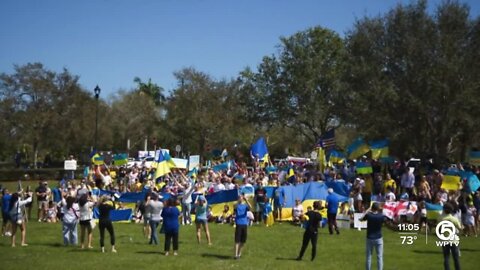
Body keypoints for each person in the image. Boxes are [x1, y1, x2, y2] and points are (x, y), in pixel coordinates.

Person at [361, 202, 385, 270]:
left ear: (372, 208)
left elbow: (361, 219)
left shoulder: (369, 215)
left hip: (369, 238)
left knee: (369, 257)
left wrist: (367, 211)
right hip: (379, 238)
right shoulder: (381, 216)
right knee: (379, 257)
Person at [438, 202, 461, 270]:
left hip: (444, 240)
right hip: (453, 240)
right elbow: (460, 227)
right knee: (456, 258)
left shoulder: (440, 218)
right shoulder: (454, 219)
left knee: (446, 258)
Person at [234, 194, 252, 259]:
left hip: (244, 224)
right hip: (239, 224)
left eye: (241, 197)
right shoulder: (236, 205)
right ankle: (236, 255)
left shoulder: (245, 206)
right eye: (239, 197)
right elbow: (235, 207)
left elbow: (250, 207)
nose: (240, 198)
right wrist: (238, 201)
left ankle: (239, 253)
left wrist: (246, 200)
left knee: (243, 241)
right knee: (237, 240)